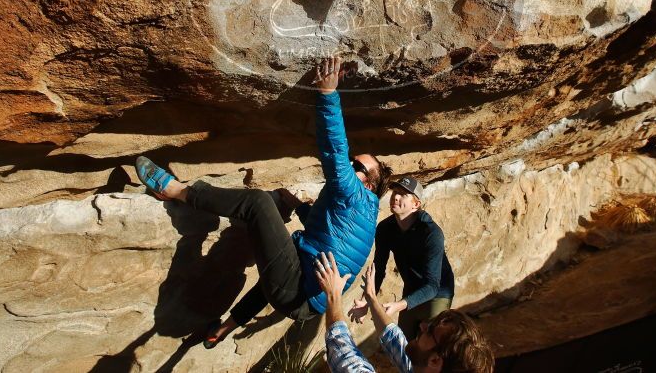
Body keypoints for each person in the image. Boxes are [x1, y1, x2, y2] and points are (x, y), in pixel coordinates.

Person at [135, 55, 392, 348]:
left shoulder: (355, 195)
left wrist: (328, 94)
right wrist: (298, 205)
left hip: (298, 290)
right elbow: (328, 232)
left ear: (369, 183)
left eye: (357, 167)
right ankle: (221, 330)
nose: (350, 165)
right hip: (304, 300)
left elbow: (334, 151)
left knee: (258, 203)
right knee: (274, 276)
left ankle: (177, 191)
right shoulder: (364, 212)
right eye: (353, 161)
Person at [315, 252, 494, 373]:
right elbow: (396, 341)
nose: (423, 325)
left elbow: (345, 357)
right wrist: (371, 297)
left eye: (430, 331)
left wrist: (333, 295)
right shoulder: (427, 367)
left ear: (435, 361)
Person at [350, 176, 454, 339]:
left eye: (403, 194)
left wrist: (399, 305)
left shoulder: (431, 233)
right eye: (394, 192)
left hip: (438, 292)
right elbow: (379, 269)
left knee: (433, 343)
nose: (395, 197)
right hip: (412, 288)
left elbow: (433, 285)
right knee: (407, 343)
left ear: (416, 204)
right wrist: (366, 301)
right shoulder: (385, 228)